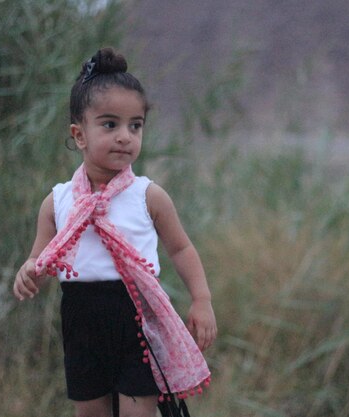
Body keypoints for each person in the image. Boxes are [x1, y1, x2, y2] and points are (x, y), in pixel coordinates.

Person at [13, 47, 216, 417]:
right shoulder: (57, 202)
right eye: (110, 124)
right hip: (81, 321)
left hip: (137, 320)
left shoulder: (148, 195)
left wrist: (201, 299)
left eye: (134, 125)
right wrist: (28, 272)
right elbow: (40, 262)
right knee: (90, 412)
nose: (125, 136)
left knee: (139, 412)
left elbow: (181, 248)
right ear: (79, 135)